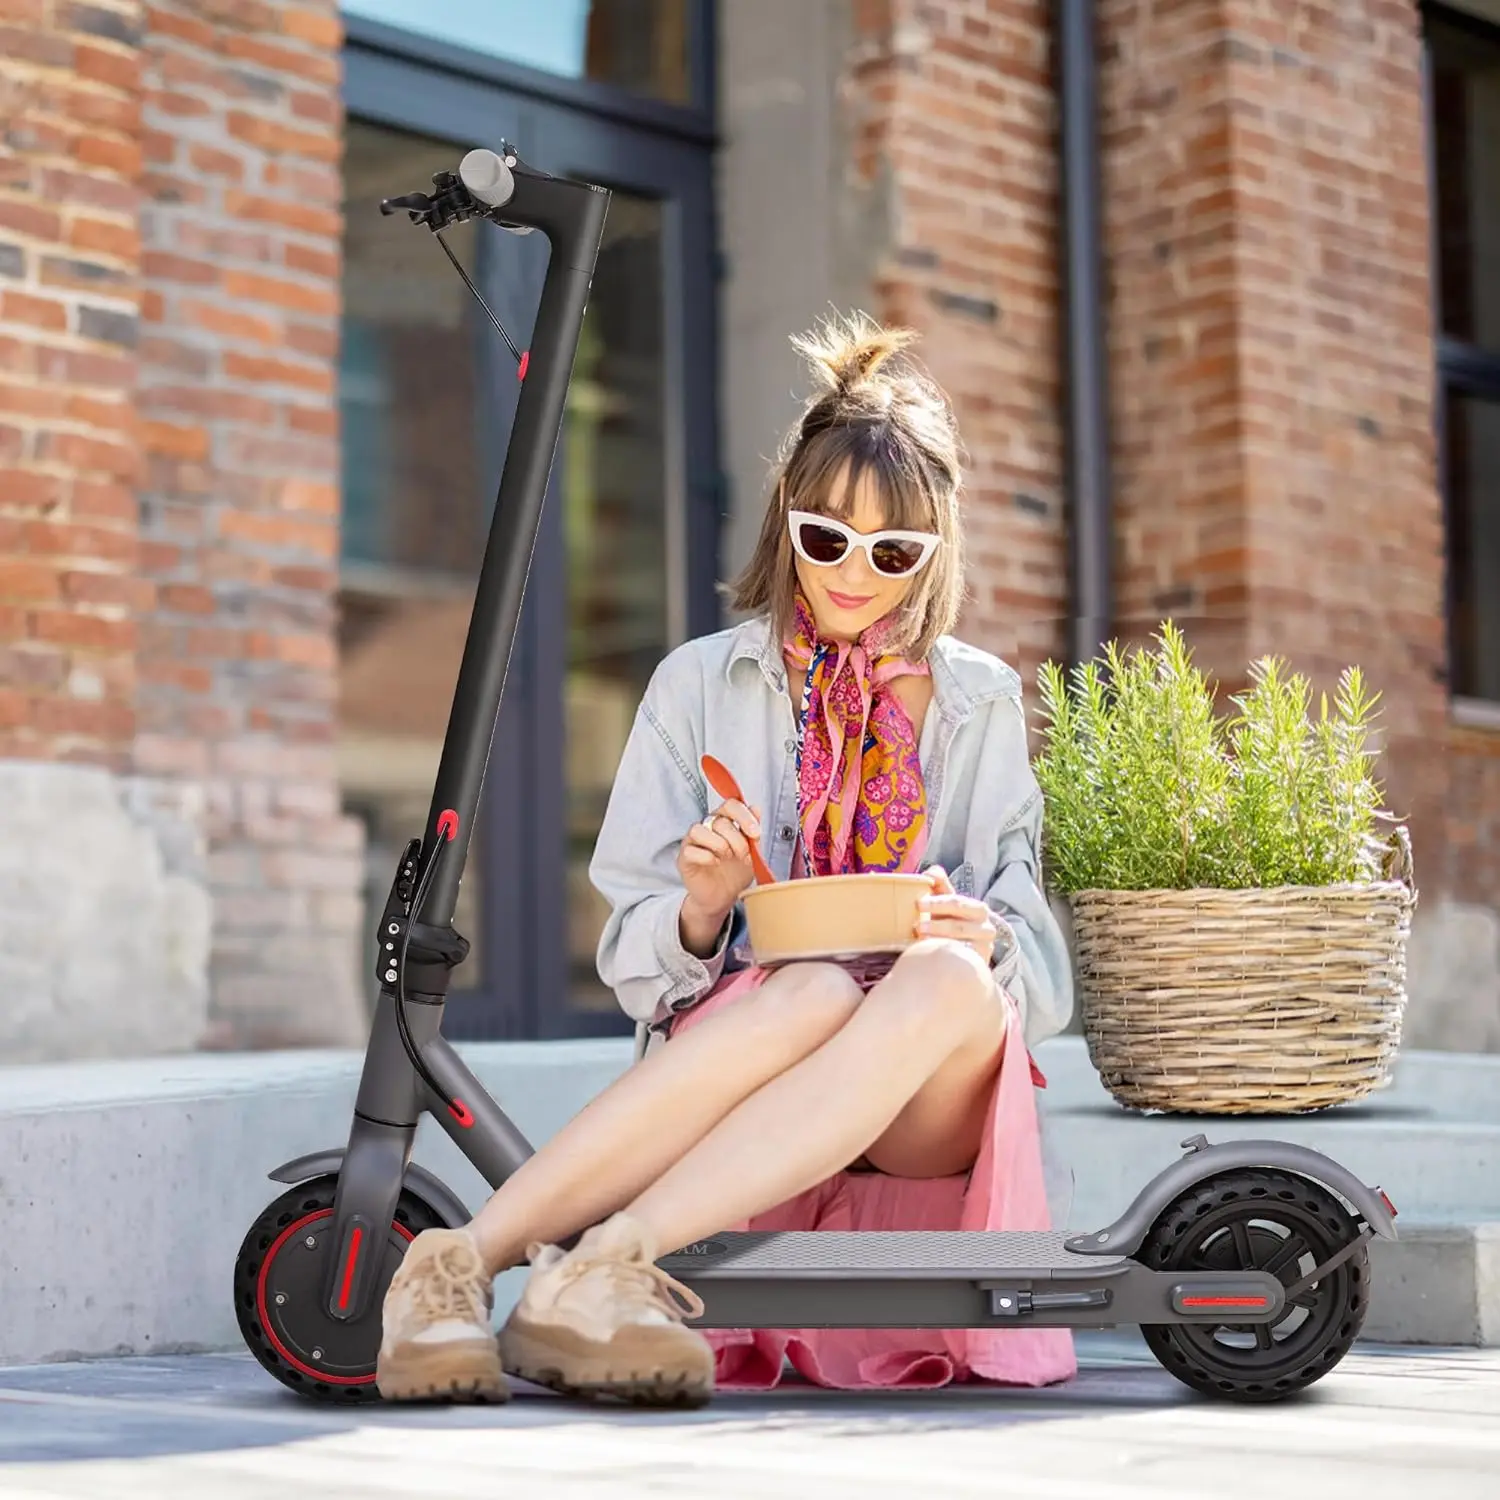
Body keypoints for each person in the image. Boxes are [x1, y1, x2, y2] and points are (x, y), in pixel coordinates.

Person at [373, 312, 1077, 1406]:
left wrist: (987, 939)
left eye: (893, 551)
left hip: (925, 1084)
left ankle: (605, 1267)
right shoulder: (701, 684)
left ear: (935, 554)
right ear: (784, 523)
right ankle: (461, 1264)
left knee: (940, 976)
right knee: (805, 989)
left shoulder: (980, 699)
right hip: (770, 1043)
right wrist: (701, 912)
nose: (853, 573)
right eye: (825, 536)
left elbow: (1040, 971)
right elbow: (634, 958)